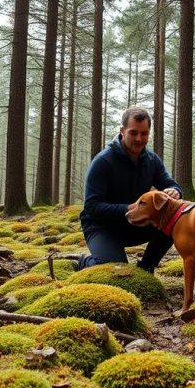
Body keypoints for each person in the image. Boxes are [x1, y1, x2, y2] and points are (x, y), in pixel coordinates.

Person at [79, 106, 182, 272]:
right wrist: (128, 208)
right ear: (122, 131)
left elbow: (170, 183)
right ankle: (84, 262)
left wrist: (174, 190)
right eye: (133, 133)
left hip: (135, 222)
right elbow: (91, 207)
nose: (139, 139)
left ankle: (146, 268)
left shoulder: (152, 160)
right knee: (117, 270)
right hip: (102, 227)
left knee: (173, 219)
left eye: (144, 133)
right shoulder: (103, 161)